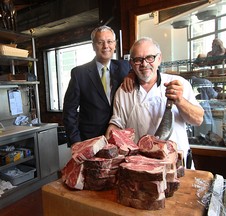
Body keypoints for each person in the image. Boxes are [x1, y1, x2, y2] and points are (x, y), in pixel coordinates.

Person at [106, 37, 204, 169]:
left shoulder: (178, 83)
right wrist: (105, 146)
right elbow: (117, 125)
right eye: (138, 60)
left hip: (177, 165)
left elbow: (198, 119)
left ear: (159, 59)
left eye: (150, 57)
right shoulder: (123, 92)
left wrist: (180, 100)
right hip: (141, 166)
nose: (144, 64)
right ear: (131, 63)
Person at [63, 25, 130, 147]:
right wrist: (75, 142)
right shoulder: (79, 73)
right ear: (93, 46)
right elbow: (69, 111)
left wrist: (132, 76)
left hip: (120, 138)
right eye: (100, 42)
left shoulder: (125, 67)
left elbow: (147, 71)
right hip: (90, 140)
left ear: (114, 44)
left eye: (109, 41)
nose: (106, 46)